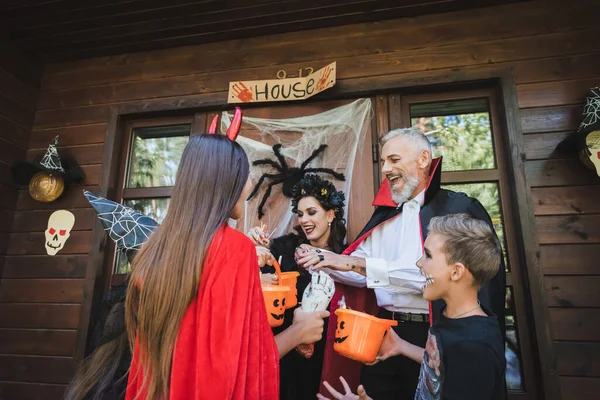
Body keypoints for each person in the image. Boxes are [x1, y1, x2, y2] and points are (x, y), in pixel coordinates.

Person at [296, 128, 506, 399]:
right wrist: (322, 262)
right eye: (383, 161)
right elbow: (364, 275)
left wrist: (348, 263)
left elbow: (425, 277)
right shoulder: (383, 215)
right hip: (383, 331)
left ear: (423, 159)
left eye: (394, 159)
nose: (385, 168)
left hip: (434, 330)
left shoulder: (457, 211)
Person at [318, 214, 506, 400]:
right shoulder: (454, 317)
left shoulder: (474, 346)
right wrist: (401, 346)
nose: (419, 263)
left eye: (428, 256)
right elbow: (444, 364)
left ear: (456, 272)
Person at [248, 174, 346, 400]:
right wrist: (254, 249)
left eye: (312, 212)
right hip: (287, 356)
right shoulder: (284, 248)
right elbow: (259, 289)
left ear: (330, 214)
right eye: (300, 214)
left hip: (326, 357)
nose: (304, 220)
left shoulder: (345, 256)